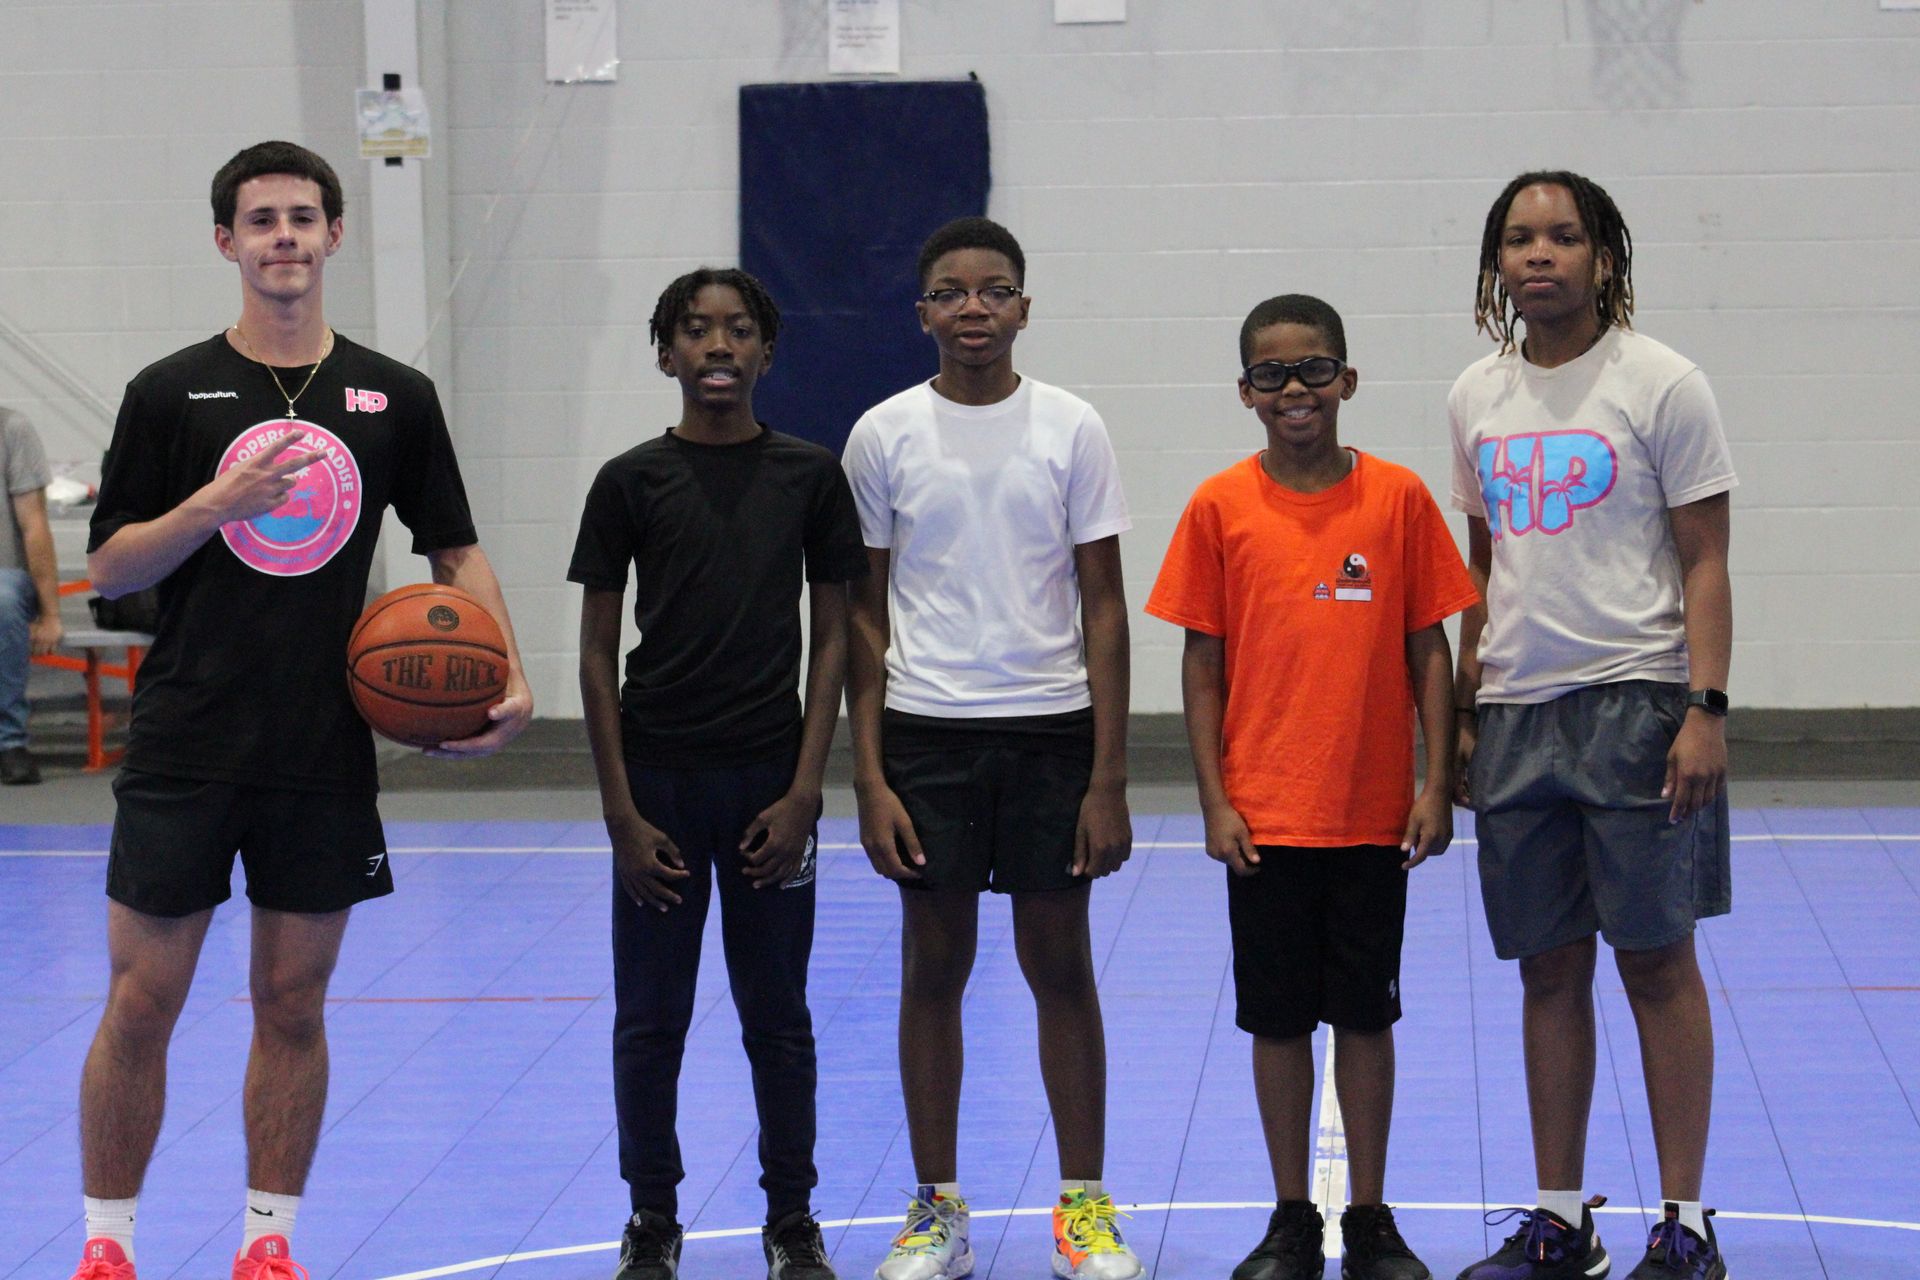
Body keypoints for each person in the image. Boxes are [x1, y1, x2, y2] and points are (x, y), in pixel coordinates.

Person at [72, 141, 532, 1280]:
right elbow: (114, 568)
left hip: (322, 741)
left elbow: (455, 548)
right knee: (143, 998)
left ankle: (268, 1242)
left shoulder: (393, 397)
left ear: (334, 236)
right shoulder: (169, 392)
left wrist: (512, 673)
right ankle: (107, 1242)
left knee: (292, 1000)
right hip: (188, 733)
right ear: (226, 241)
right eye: (261, 219)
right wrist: (214, 502)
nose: (284, 236)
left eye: (303, 218)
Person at [1147, 295, 1478, 1280]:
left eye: (1314, 368)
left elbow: (1431, 647)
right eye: (1272, 374)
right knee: (1279, 1018)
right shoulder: (1218, 506)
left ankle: (1369, 1215)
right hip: (1266, 815)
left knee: (1368, 1016)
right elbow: (1201, 666)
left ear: (1349, 379)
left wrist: (1433, 778)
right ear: (1244, 392)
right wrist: (1215, 797)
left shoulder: (1400, 499)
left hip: (1374, 813)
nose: (1295, 388)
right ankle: (1293, 1214)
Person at [1449, 171, 1736, 1280]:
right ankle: (1561, 1217)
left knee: (1657, 961)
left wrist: (1703, 706)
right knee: (1546, 971)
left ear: (1602, 257)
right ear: (1497, 262)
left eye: (1564, 236)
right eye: (1520, 237)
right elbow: (1487, 568)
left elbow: (1707, 559)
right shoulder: (1476, 393)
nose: (1540, 254)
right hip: (1521, 712)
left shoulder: (1661, 383)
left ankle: (1687, 1221)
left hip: (1640, 706)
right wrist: (1471, 710)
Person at [844, 216, 1141, 1280]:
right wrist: (870, 774)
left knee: (1060, 963)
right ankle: (939, 1209)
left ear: (1023, 307)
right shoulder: (882, 434)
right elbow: (861, 617)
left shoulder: (1073, 427)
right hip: (926, 735)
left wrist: (1108, 775)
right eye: (952, 292)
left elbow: (1104, 609)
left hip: (1053, 731)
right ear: (923, 311)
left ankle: (1084, 1204)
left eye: (995, 289)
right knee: (935, 966)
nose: (974, 307)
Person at [569, 267, 866, 1280]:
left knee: (776, 1016)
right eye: (695, 330)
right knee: (649, 1018)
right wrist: (618, 811)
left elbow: (834, 639)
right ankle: (652, 1216)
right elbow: (595, 654)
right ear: (665, 353)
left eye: (739, 328)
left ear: (767, 352)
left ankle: (793, 1218)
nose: (717, 345)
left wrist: (804, 787)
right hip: (657, 783)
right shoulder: (628, 482)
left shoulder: (809, 476)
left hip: (765, 789)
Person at [1, 405, 62, 784]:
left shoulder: (12, 429)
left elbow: (34, 525)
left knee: (3, 600)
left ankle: (9, 741)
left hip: (5, 578)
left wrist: (50, 615)